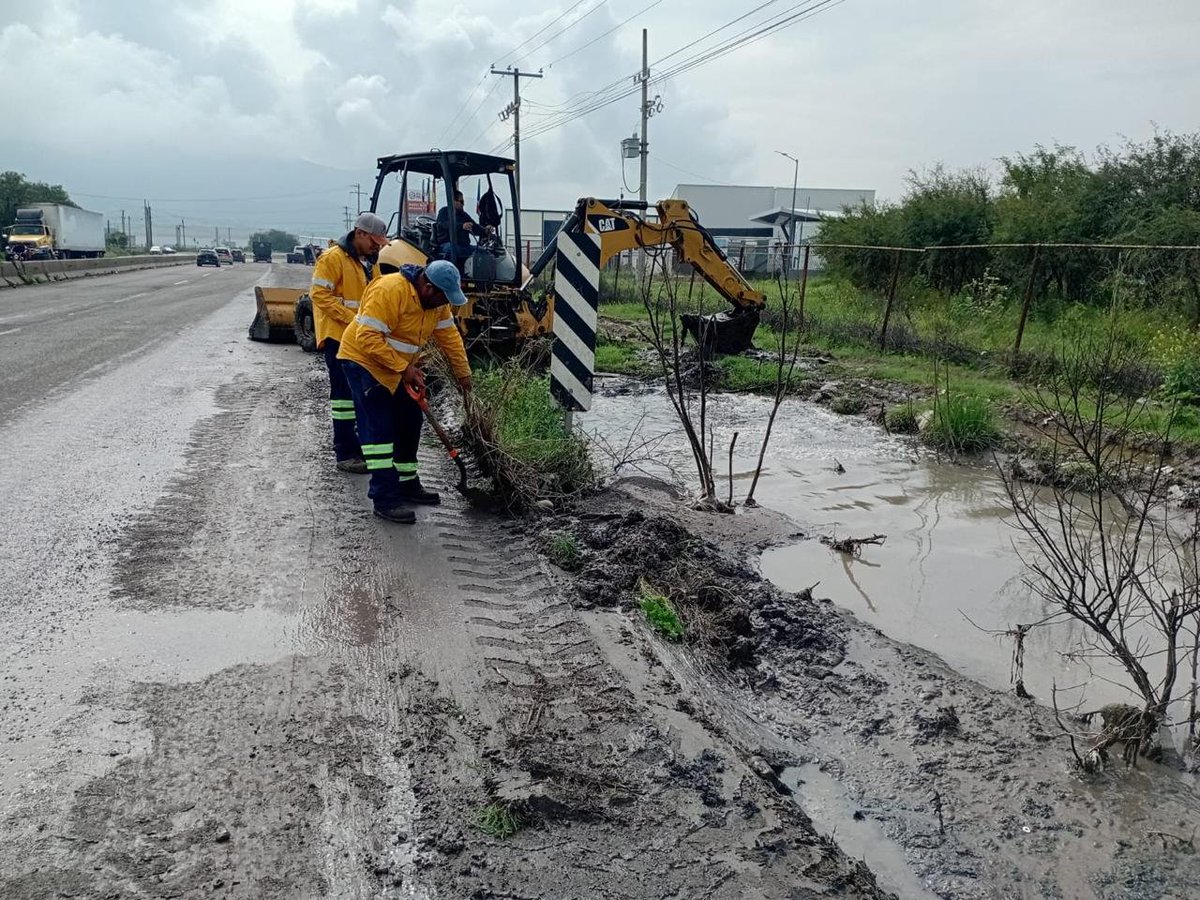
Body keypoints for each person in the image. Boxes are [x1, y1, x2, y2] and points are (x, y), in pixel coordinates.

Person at [337, 251, 473, 524]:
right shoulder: (390, 290)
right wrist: (404, 368)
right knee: (379, 431)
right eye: (444, 297)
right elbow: (367, 338)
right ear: (428, 288)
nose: (445, 304)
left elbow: (450, 337)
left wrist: (463, 375)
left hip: (396, 367)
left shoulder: (436, 304)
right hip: (363, 362)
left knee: (410, 422)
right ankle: (385, 498)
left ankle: (407, 484)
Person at [309, 212, 390, 473]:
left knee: (359, 397)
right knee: (344, 399)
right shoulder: (332, 258)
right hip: (338, 337)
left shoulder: (369, 263)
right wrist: (354, 320)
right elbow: (319, 295)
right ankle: (345, 452)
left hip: (359, 339)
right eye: (374, 242)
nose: (377, 247)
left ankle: (359, 447)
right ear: (360, 234)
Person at [434, 190, 494, 265]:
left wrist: (485, 230)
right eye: (461, 202)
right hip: (447, 245)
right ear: (454, 201)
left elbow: (474, 227)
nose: (463, 204)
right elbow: (444, 225)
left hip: (464, 246)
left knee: (484, 252)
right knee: (451, 249)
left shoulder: (463, 215)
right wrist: (461, 226)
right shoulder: (444, 212)